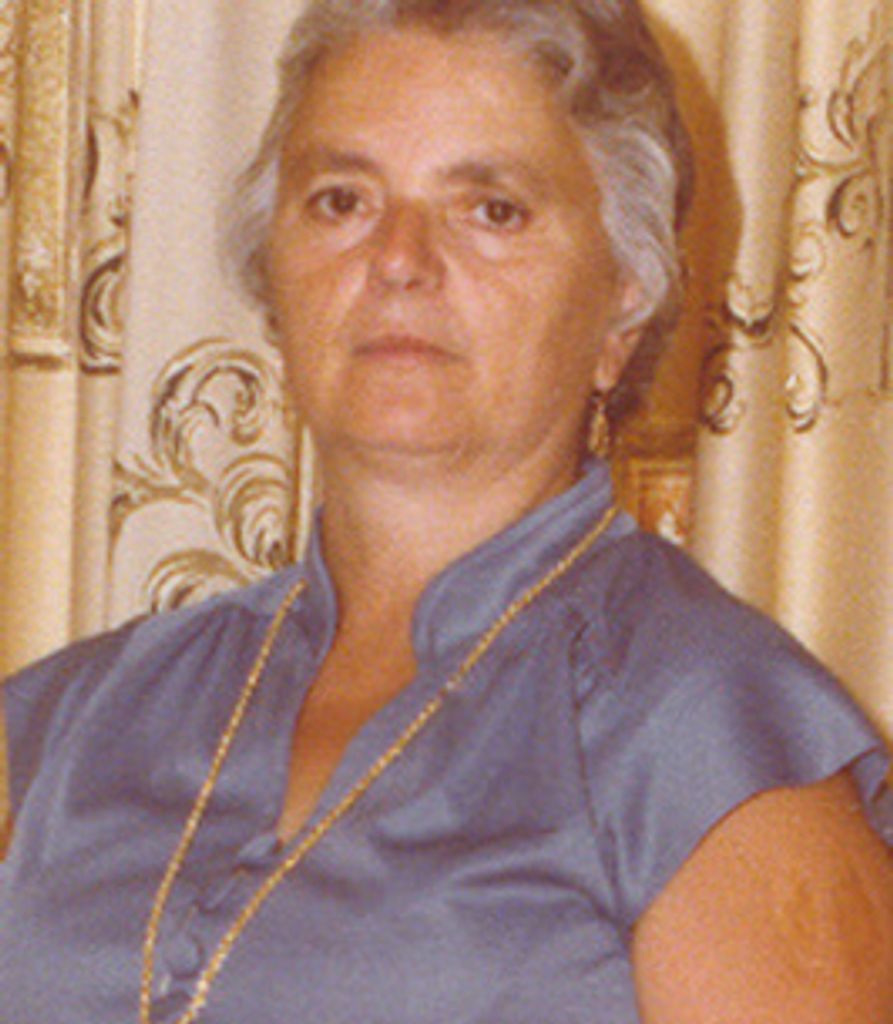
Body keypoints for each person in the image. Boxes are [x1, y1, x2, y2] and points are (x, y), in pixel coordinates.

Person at [2, 1, 892, 1022]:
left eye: (492, 210)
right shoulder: (73, 719)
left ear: (623, 299)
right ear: (271, 273)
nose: (398, 258)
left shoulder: (713, 740)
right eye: (341, 200)